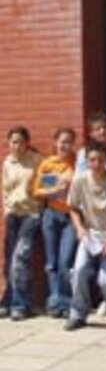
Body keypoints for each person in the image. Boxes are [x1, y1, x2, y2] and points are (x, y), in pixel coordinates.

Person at [64, 141, 106, 330]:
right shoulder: (80, 181)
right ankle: (77, 314)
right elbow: (72, 207)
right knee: (79, 271)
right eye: (92, 160)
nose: (96, 164)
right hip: (90, 234)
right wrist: (80, 229)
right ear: (87, 161)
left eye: (100, 160)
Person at [33, 127, 77, 317]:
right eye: (62, 142)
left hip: (70, 216)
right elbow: (36, 190)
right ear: (56, 142)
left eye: (69, 142)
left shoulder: (77, 162)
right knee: (51, 262)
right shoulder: (48, 164)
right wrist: (55, 190)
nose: (65, 146)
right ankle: (54, 302)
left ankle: (66, 302)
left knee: (65, 261)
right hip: (51, 214)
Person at [1, 127, 42, 320]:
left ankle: (21, 304)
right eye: (13, 142)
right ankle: (8, 300)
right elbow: (6, 190)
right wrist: (7, 210)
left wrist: (39, 206)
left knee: (21, 257)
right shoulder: (7, 162)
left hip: (31, 214)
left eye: (20, 142)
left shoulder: (36, 161)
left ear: (27, 142)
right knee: (10, 258)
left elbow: (46, 183)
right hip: (13, 214)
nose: (17, 146)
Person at [75, 112, 106, 176]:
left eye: (105, 127)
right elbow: (79, 176)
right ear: (91, 133)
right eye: (98, 129)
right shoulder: (83, 153)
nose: (102, 131)